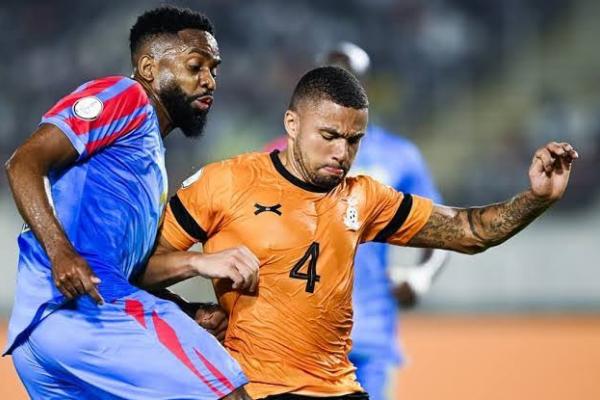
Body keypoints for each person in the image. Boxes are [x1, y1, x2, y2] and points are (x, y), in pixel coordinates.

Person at [138, 66, 578, 399]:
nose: (341, 153)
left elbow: (468, 231)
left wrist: (536, 198)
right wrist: (196, 271)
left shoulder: (365, 197)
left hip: (340, 387)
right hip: (256, 388)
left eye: (353, 140)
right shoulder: (224, 183)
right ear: (292, 124)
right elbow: (138, 268)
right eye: (329, 136)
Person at [3, 6, 251, 399]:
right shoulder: (126, 96)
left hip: (42, 337)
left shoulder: (146, 163)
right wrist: (60, 252)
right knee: (226, 391)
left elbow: (124, 271)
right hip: (87, 314)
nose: (209, 81)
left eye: (214, 69)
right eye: (195, 66)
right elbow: (23, 162)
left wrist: (186, 307)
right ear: (149, 68)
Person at [265, 42, 449, 399]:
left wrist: (422, 276)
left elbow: (440, 227)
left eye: (350, 78)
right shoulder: (277, 154)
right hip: (299, 335)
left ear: (367, 87)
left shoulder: (399, 156)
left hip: (370, 332)